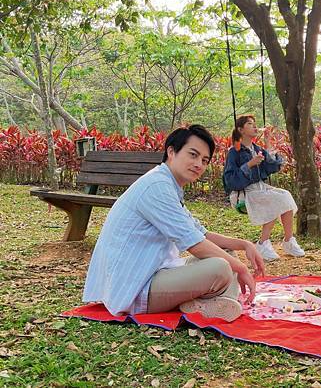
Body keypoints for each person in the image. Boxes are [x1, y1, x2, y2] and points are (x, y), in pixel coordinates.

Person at [83, 124, 265, 322]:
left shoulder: (168, 185)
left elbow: (199, 233)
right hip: (135, 287)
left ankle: (209, 304)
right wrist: (241, 268)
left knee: (226, 253)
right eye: (193, 155)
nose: (199, 165)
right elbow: (195, 245)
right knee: (221, 267)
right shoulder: (157, 187)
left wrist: (244, 244)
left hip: (158, 273)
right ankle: (216, 301)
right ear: (171, 152)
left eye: (204, 160)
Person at [223, 115, 305, 262]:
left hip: (261, 188)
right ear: (240, 129)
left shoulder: (257, 149)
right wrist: (249, 164)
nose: (255, 127)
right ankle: (262, 243)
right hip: (244, 193)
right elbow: (230, 181)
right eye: (250, 124)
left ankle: (288, 240)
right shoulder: (234, 151)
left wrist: (267, 143)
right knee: (274, 200)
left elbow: (273, 167)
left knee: (285, 196)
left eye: (255, 124)